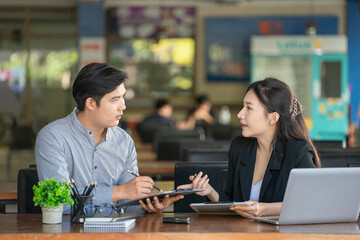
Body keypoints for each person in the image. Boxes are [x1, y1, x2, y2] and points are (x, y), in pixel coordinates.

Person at [35, 63, 183, 214]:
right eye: (115, 99)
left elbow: (130, 203)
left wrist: (149, 205)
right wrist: (118, 192)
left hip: (117, 233)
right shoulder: (53, 137)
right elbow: (58, 203)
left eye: (123, 97)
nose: (123, 106)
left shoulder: (124, 142)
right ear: (91, 103)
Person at [178, 78, 321, 218]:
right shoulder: (240, 147)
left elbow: (311, 204)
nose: (240, 114)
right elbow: (233, 203)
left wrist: (263, 209)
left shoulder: (298, 151)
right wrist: (210, 192)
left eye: (249, 108)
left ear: (273, 118)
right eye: (242, 106)